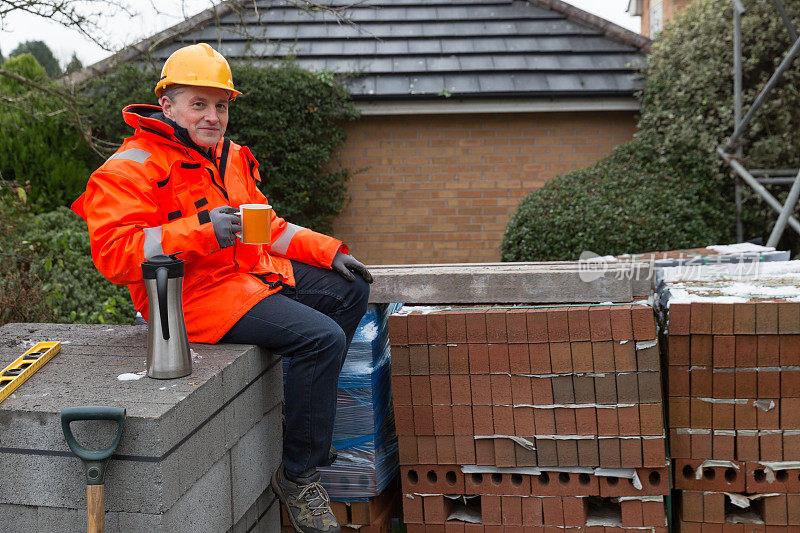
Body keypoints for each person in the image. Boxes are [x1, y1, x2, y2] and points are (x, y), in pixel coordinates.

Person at [72, 42, 372, 533]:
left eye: (221, 105)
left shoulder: (229, 156)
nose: (213, 116)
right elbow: (113, 254)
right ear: (167, 105)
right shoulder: (130, 167)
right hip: (186, 301)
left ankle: (304, 404)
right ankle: (299, 473)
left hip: (243, 280)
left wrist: (329, 251)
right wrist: (203, 230)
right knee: (322, 338)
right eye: (200, 104)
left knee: (349, 291)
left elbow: (265, 225)